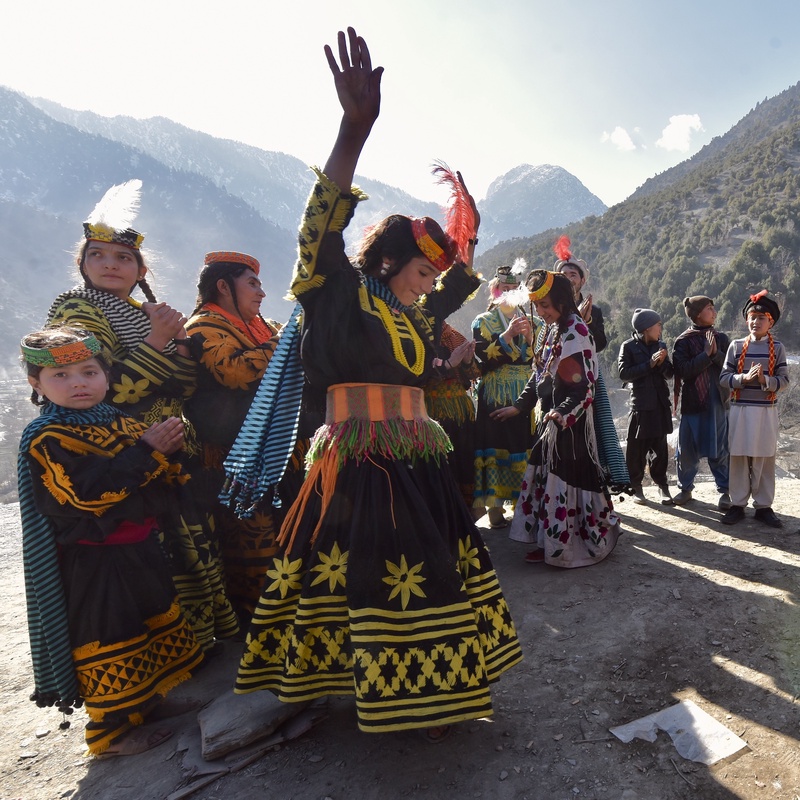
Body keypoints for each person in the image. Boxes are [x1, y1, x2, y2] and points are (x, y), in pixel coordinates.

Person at [234, 27, 522, 741]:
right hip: (356, 455)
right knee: (359, 569)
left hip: (412, 455)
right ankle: (364, 686)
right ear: (389, 260)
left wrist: (467, 241)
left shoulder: (407, 315)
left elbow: (451, 293)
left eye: (431, 277)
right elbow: (316, 227)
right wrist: (352, 130)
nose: (428, 286)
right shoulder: (333, 289)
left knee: (416, 565)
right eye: (420, 271)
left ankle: (430, 686)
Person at [45, 181, 239, 650]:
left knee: (192, 540)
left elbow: (182, 385)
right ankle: (167, 651)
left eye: (123, 257)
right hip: (123, 448)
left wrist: (184, 355)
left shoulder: (142, 311)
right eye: (99, 255)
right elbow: (102, 388)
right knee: (155, 550)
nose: (111, 264)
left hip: (173, 443)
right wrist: (157, 342)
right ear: (82, 264)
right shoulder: (79, 309)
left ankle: (201, 640)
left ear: (140, 268)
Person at [17, 327, 203, 757]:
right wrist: (147, 452)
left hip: (137, 547)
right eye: (60, 375)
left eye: (88, 371)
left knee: (148, 620)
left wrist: (168, 455)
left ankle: (148, 702)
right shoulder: (48, 438)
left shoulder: (116, 420)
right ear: (35, 383)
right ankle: (110, 732)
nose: (78, 382)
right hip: (95, 560)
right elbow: (88, 495)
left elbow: (151, 478)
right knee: (111, 632)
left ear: (107, 374)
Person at [185, 251, 304, 621]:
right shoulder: (203, 327)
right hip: (236, 456)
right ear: (223, 286)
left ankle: (297, 611)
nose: (262, 293)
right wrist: (285, 340)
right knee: (255, 540)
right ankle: (261, 619)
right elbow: (235, 372)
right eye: (252, 283)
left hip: (279, 448)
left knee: (291, 532)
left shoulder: (261, 326)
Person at [493, 270, 621, 567]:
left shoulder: (576, 332)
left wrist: (561, 413)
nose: (541, 312)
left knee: (563, 483)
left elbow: (582, 386)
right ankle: (549, 542)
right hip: (550, 421)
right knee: (547, 481)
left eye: (546, 307)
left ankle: (565, 545)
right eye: (538, 306)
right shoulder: (552, 330)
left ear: (563, 303)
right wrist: (521, 406)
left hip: (569, 428)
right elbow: (540, 374)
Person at [554, 236, 630, 493]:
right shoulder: (550, 309)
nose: (568, 278)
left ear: (582, 280)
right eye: (562, 274)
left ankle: (595, 483)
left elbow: (600, 343)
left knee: (594, 430)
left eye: (572, 274)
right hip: (556, 380)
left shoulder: (593, 311)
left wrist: (585, 326)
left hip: (586, 377)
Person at [472, 265, 537, 527]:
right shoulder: (483, 322)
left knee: (522, 447)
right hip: (494, 393)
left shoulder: (536, 321)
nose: (509, 293)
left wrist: (531, 340)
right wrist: (507, 336)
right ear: (495, 290)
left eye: (514, 289)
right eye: (504, 288)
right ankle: (495, 510)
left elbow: (538, 361)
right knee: (494, 447)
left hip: (524, 394)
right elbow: (482, 361)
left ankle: (523, 507)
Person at [719, 291, 789, 527]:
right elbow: (724, 377)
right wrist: (744, 378)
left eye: (761, 318)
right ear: (746, 320)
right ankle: (737, 504)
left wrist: (764, 381)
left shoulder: (777, 348)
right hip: (740, 409)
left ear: (771, 322)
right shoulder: (736, 346)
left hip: (765, 412)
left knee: (764, 457)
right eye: (752, 317)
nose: (755, 322)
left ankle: (763, 506)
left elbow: (784, 381)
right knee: (738, 456)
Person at [671, 296, 731, 509]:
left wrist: (715, 355)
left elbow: (730, 367)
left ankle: (725, 492)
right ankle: (685, 489)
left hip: (717, 400)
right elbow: (682, 370)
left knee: (720, 448)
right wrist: (705, 356)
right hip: (693, 402)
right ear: (697, 314)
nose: (714, 312)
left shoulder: (722, 338)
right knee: (687, 449)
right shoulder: (683, 341)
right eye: (709, 308)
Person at [617, 308, 674, 505]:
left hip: (659, 404)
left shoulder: (661, 345)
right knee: (636, 450)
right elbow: (624, 373)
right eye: (658, 325)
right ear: (647, 328)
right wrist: (649, 364)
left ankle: (662, 486)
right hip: (640, 405)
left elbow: (669, 374)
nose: (660, 328)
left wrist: (662, 363)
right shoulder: (628, 347)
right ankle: (636, 486)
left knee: (660, 450)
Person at [424, 320, 480, 509]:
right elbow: (418, 374)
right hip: (433, 412)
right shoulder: (419, 338)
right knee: (445, 463)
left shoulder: (454, 336)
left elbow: (472, 374)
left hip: (460, 411)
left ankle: (467, 510)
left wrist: (467, 360)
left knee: (465, 459)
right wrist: (448, 364)